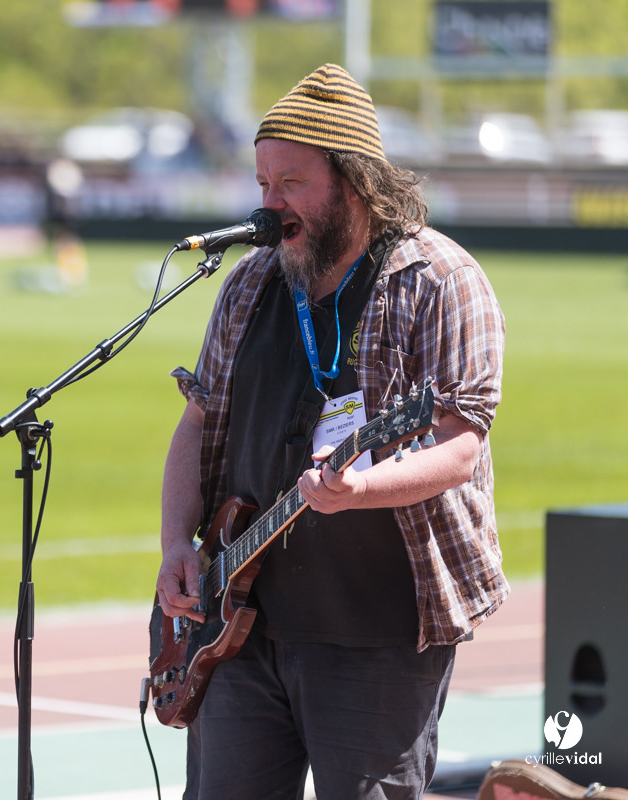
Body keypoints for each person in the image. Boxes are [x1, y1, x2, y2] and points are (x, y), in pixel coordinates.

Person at [154, 64, 507, 800]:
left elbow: (459, 442)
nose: (268, 204)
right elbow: (196, 423)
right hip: (237, 628)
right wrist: (174, 547)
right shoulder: (249, 282)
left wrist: (362, 488)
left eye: (290, 183)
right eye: (260, 184)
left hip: (378, 633)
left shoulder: (439, 280)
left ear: (354, 182)